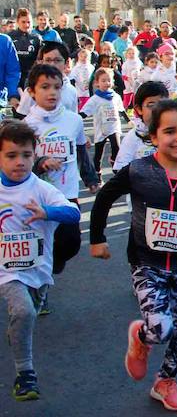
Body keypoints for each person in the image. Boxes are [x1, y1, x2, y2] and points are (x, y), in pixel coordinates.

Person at [89, 99, 177, 412]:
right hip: (146, 264)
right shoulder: (139, 171)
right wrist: (97, 239)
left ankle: (165, 381)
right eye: (169, 131)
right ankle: (140, 337)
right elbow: (104, 198)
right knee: (160, 328)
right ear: (154, 137)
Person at [0, 120, 79, 401]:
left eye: (26, 155)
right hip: (6, 271)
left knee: (25, 314)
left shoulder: (40, 189)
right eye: (11, 155)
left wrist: (46, 213)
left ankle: (18, 330)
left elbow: (73, 214)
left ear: (35, 155)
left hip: (38, 269)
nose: (20, 162)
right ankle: (25, 373)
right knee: (24, 312)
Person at [24, 64, 99, 288]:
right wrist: (41, 163)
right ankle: (39, 284)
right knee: (38, 243)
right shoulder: (27, 125)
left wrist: (90, 177)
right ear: (31, 92)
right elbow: (21, 163)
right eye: (45, 87)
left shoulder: (73, 120)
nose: (52, 92)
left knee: (72, 241)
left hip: (66, 192)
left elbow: (80, 150)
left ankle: (51, 267)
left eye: (57, 87)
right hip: (37, 193)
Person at [80, 67, 126, 177]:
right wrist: (76, 119)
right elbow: (84, 112)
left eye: (109, 80)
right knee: (98, 153)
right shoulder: (95, 99)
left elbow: (121, 110)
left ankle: (115, 165)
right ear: (97, 83)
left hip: (114, 127)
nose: (107, 83)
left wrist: (129, 121)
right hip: (101, 129)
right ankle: (97, 173)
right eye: (103, 81)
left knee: (117, 147)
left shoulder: (115, 96)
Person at [113, 81, 169, 171]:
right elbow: (120, 169)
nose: (157, 110)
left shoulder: (174, 133)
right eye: (151, 105)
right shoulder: (133, 137)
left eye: (162, 105)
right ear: (139, 109)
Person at [10, 8, 41, 91]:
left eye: (29, 22)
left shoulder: (36, 38)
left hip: (30, 77)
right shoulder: (10, 37)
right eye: (23, 22)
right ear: (17, 22)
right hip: (13, 77)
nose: (26, 25)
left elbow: (41, 59)